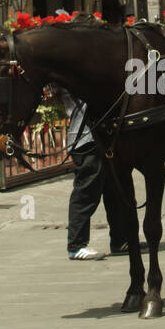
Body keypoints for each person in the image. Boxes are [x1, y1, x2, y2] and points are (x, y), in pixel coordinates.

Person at [62, 88, 131, 259]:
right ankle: (76, 245)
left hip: (101, 137)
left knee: (114, 191)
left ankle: (120, 240)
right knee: (86, 192)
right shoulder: (74, 75)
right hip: (86, 139)